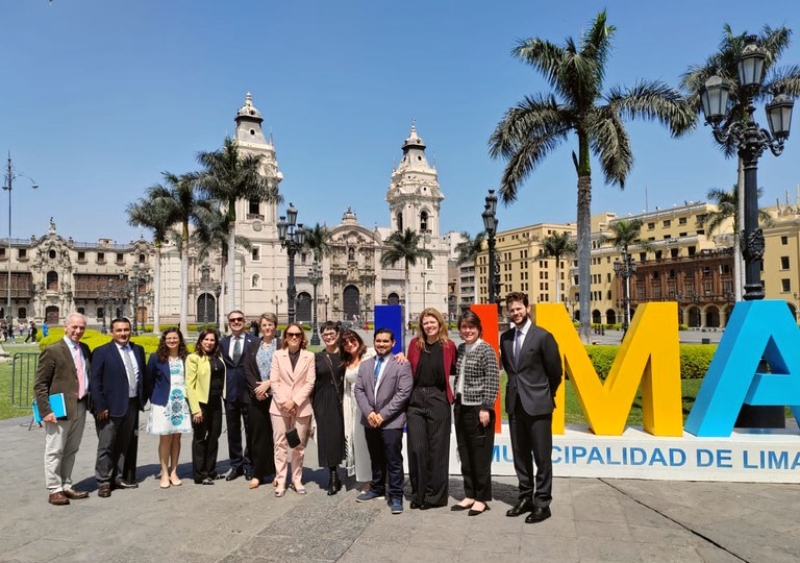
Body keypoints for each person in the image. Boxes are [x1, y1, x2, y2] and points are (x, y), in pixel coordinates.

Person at [501, 292, 562, 524]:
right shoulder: (505, 337)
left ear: (527, 308)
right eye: (511, 309)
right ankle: (525, 497)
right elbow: (510, 369)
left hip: (538, 405)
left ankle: (542, 503)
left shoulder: (543, 337)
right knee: (520, 455)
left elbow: (555, 372)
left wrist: (544, 394)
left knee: (542, 457)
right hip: (515, 405)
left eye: (519, 308)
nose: (515, 313)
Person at [33, 312, 91, 506]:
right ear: (65, 327)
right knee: (55, 449)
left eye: (81, 327)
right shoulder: (53, 350)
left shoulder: (85, 348)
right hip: (59, 408)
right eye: (74, 327)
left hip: (80, 406)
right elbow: (40, 384)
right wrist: (45, 410)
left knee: (71, 449)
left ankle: (66, 484)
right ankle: (54, 489)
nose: (78, 331)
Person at [353, 328, 412, 514]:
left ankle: (396, 496)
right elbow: (359, 390)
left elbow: (403, 393)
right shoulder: (365, 365)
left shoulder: (401, 365)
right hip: (370, 420)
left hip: (391, 421)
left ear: (393, 343)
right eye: (378, 341)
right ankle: (377, 488)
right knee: (376, 457)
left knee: (393, 460)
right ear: (374, 342)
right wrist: (369, 412)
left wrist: (383, 414)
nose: (381, 344)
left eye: (385, 341)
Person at [406, 307, 457, 509]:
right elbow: (407, 367)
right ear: (421, 326)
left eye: (432, 321)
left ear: (439, 323)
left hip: (438, 398)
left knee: (438, 450)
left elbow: (455, 369)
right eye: (425, 323)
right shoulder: (414, 345)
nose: (429, 325)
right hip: (416, 398)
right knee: (417, 448)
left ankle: (434, 496)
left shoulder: (449, 346)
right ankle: (418, 494)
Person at [89, 317, 146, 498]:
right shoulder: (101, 352)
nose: (123, 333)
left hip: (131, 404)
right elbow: (95, 381)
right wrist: (100, 405)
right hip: (109, 407)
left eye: (126, 330)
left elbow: (141, 376)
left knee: (123, 444)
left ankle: (118, 477)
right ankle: (104, 481)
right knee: (106, 445)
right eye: (119, 330)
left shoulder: (138, 350)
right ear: (112, 332)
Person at [452, 310, 500, 516]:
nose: (467, 331)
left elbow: (492, 380)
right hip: (461, 405)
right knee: (465, 452)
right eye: (464, 327)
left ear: (479, 328)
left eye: (471, 327)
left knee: (480, 455)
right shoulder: (461, 349)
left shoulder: (486, 349)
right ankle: (469, 494)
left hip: (478, 408)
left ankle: (481, 498)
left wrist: (486, 407)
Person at [269, 322, 315, 497]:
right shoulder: (277, 355)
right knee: (279, 444)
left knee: (298, 445)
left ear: (302, 337)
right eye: (290, 334)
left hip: (301, 407)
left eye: (297, 334)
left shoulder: (309, 356)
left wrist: (295, 401)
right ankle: (281, 480)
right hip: (280, 407)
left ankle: (296, 479)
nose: (294, 337)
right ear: (285, 337)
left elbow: (310, 382)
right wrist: (284, 402)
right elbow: (274, 381)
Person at [145, 328, 192, 489]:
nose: (172, 341)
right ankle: (164, 472)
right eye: (169, 338)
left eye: (175, 338)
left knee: (177, 438)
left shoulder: (186, 358)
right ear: (164, 341)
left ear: (180, 340)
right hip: (163, 402)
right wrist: (155, 399)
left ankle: (174, 471)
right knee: (165, 438)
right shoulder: (155, 358)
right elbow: (149, 381)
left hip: (181, 402)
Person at [220, 310, 257, 481]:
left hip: (250, 393)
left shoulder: (254, 341)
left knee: (251, 429)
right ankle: (236, 465)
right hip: (230, 393)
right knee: (233, 431)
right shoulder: (223, 343)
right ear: (229, 322)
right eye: (233, 320)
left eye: (239, 319)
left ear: (245, 321)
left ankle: (249, 464)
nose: (236, 322)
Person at [242, 313, 279, 490]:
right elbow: (247, 368)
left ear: (275, 326)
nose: (267, 328)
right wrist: (256, 390)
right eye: (264, 325)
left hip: (277, 396)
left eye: (270, 324)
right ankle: (257, 473)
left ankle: (276, 472)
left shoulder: (282, 345)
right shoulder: (253, 345)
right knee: (257, 436)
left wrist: (269, 383)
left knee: (276, 436)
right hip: (257, 397)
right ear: (260, 327)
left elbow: (286, 369)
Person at [186, 329, 226, 485]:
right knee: (200, 438)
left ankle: (211, 470)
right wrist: (195, 409)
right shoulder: (193, 358)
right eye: (206, 340)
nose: (209, 342)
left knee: (214, 435)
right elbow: (189, 385)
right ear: (200, 341)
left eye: (212, 340)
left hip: (216, 401)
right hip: (201, 403)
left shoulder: (218, 358)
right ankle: (200, 473)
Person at [312, 321, 346, 495]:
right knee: (329, 437)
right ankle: (333, 474)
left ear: (338, 334)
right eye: (325, 334)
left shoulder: (347, 354)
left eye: (332, 333)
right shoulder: (317, 357)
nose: (329, 336)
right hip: (324, 399)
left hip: (344, 399)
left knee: (343, 435)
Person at [340, 329, 373, 485]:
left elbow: (390, 359)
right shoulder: (346, 361)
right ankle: (366, 479)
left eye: (352, 340)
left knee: (372, 442)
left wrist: (400, 355)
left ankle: (379, 479)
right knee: (359, 443)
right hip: (353, 406)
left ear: (358, 339)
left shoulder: (371, 354)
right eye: (345, 343)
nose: (349, 344)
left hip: (370, 404)